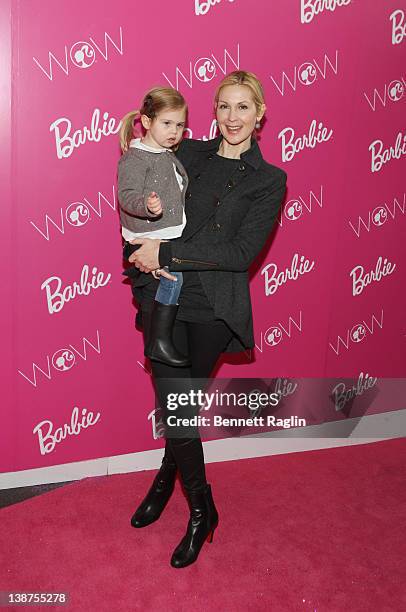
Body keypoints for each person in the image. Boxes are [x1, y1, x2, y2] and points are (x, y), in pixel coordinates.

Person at [123, 70, 287, 569]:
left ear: (259, 115)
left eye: (243, 107)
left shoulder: (269, 180)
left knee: (180, 412)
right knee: (177, 408)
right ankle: (201, 508)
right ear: (212, 113)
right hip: (165, 300)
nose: (232, 118)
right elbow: (141, 199)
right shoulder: (186, 153)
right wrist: (142, 247)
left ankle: (171, 483)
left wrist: (167, 249)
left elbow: (239, 252)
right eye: (223, 107)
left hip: (214, 308)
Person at [118, 87, 191, 367]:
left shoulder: (165, 153)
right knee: (174, 281)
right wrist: (146, 206)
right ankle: (159, 341)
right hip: (148, 236)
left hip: (168, 233)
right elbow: (127, 195)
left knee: (172, 281)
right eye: (167, 123)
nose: (174, 131)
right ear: (147, 122)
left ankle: (148, 319)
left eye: (180, 125)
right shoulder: (136, 158)